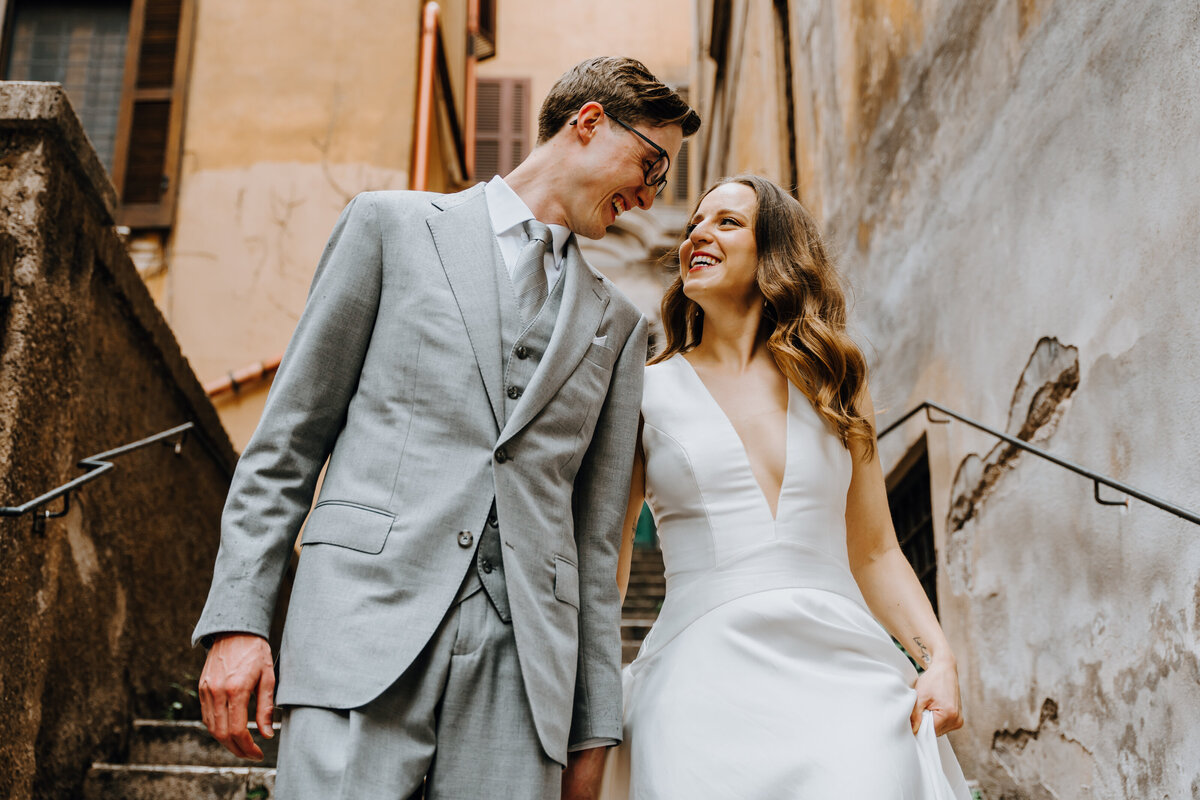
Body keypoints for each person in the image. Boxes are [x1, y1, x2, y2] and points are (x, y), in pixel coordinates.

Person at [192, 56, 700, 799]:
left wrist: (593, 726)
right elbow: (287, 444)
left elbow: (596, 545)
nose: (651, 194)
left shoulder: (620, 326)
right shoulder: (388, 227)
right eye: (650, 164)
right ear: (588, 123)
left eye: (661, 181)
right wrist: (240, 622)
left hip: (524, 674)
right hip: (360, 630)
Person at [605, 175, 971, 798]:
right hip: (697, 685)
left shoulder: (836, 385)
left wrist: (938, 657)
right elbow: (608, 559)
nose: (698, 231)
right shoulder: (643, 391)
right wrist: (591, 691)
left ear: (775, 252)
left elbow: (876, 550)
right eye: (696, 221)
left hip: (845, 674)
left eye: (727, 222)